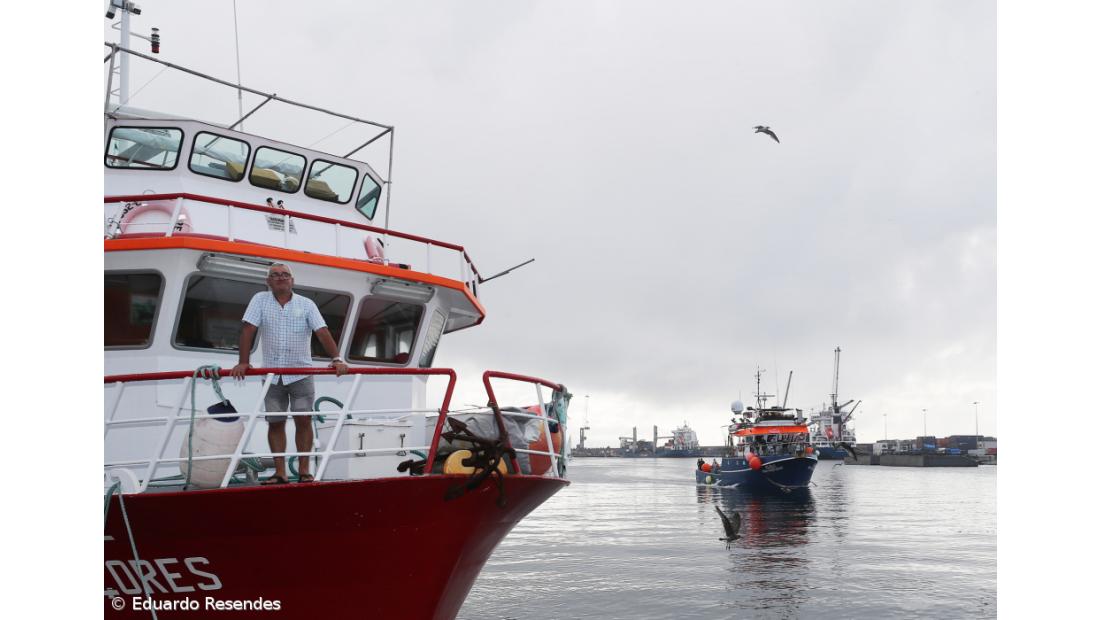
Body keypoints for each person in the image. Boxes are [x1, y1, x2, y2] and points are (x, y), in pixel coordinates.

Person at [230, 263, 347, 484]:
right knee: (275, 422)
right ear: (268, 281)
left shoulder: (307, 304)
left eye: (285, 274)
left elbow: (322, 331)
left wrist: (337, 359)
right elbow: (248, 329)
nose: (281, 277)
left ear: (292, 280)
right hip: (272, 377)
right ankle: (280, 473)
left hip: (301, 374)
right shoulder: (259, 300)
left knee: (303, 420)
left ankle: (304, 472)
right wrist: (243, 362)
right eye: (275, 275)